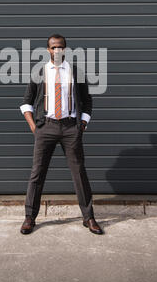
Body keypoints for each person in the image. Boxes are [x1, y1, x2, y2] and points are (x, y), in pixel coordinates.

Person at [19, 34, 103, 235]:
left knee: (79, 173)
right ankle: (29, 217)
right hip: (45, 127)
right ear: (48, 50)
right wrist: (34, 127)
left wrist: (82, 124)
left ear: (66, 49)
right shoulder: (39, 72)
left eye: (61, 47)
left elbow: (87, 101)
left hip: (70, 129)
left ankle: (88, 217)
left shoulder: (76, 72)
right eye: (53, 47)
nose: (57, 50)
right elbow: (26, 102)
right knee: (37, 174)